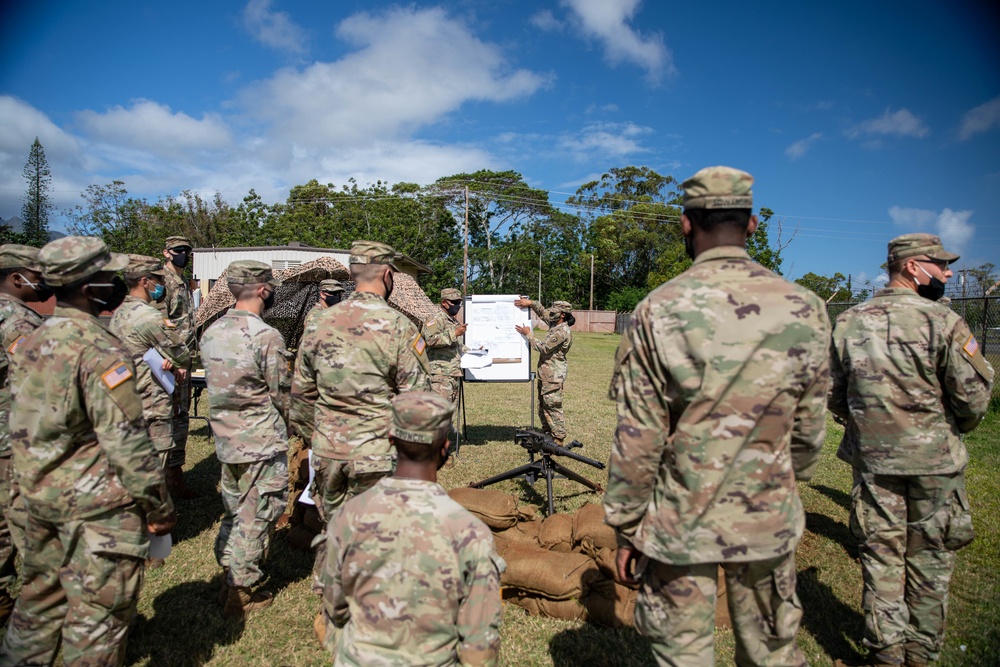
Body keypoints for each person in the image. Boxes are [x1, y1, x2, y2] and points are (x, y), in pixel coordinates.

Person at [604, 166, 831, 666]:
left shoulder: (656, 310)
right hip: (766, 513)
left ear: (686, 224)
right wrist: (783, 480)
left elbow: (638, 437)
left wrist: (626, 526)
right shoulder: (806, 308)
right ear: (752, 225)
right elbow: (810, 428)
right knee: (772, 654)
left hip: (678, 520)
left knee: (682, 655)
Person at [0, 236, 175, 666]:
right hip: (95, 509)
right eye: (106, 275)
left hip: (38, 498)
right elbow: (128, 442)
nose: (114, 281)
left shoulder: (35, 340)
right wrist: (158, 506)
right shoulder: (100, 348)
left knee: (37, 608)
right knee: (97, 620)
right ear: (87, 285)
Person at [828, 233, 993, 667]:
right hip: (934, 464)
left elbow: (834, 393)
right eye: (940, 265)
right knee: (931, 559)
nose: (948, 272)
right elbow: (974, 397)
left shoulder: (849, 321)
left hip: (874, 463)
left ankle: (885, 653)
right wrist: (946, 429)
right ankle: (919, 654)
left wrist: (868, 425)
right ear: (913, 267)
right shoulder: (943, 322)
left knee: (881, 558)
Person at [318, 390, 503, 666]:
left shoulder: (349, 515)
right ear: (445, 447)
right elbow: (480, 647)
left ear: (391, 440)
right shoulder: (471, 533)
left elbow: (334, 605)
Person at [290, 240, 430, 594]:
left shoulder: (318, 324)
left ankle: (330, 601)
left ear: (353, 275)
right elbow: (417, 401)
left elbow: (301, 396)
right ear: (387, 275)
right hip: (376, 455)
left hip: (327, 452)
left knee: (333, 528)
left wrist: (316, 437)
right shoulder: (399, 327)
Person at [201, 260, 292, 617]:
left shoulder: (212, 331)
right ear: (263, 289)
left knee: (235, 511)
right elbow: (282, 394)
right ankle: (241, 590)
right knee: (258, 513)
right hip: (261, 442)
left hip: (226, 440)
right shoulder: (266, 336)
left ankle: (228, 572)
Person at [0, 244, 48, 623]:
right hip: (15, 439)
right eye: (38, 273)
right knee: (29, 524)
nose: (45, 281)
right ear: (17, 278)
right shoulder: (18, 321)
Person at [109, 255, 191, 470]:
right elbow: (181, 354)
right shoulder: (150, 317)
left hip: (126, 397)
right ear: (145, 282)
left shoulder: (118, 314)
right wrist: (174, 361)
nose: (163, 285)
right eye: (159, 280)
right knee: (154, 470)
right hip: (151, 401)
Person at [158, 235, 197, 498]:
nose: (184, 254)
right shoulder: (162, 283)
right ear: (167, 253)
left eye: (187, 250)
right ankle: (167, 477)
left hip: (184, 360)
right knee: (170, 417)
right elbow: (161, 324)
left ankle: (175, 473)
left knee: (181, 416)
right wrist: (173, 359)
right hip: (170, 363)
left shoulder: (182, 282)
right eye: (178, 250)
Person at [513, 298, 574, 443]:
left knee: (553, 406)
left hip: (553, 375)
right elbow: (542, 312)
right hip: (545, 373)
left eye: (554, 312)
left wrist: (529, 334)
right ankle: (548, 432)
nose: (550, 313)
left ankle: (558, 437)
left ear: (563, 315)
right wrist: (531, 303)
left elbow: (544, 347)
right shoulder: (555, 322)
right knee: (542, 405)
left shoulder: (562, 332)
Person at [422, 287, 468, 406]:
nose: (457, 306)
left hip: (453, 374)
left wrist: (475, 351)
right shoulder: (434, 320)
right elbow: (430, 340)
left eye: (459, 303)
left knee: (449, 415)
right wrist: (454, 333)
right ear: (444, 302)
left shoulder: (454, 322)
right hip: (439, 376)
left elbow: (457, 345)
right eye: (454, 303)